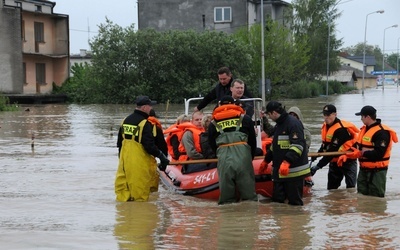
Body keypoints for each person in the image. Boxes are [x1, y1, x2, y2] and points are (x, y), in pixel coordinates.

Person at [115, 96, 170, 202]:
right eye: (150, 106)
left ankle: (125, 216)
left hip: (124, 162)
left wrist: (121, 160)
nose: (151, 109)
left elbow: (119, 144)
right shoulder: (145, 124)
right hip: (139, 163)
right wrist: (162, 157)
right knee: (140, 195)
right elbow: (149, 146)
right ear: (144, 107)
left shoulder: (125, 121)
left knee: (123, 191)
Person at [338, 105, 398, 197]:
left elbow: (379, 154)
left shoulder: (382, 133)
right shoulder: (364, 130)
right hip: (363, 171)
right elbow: (357, 148)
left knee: (376, 199)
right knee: (361, 198)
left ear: (368, 117)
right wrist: (347, 155)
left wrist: (361, 153)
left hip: (377, 172)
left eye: (362, 116)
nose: (361, 119)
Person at [208, 95, 258, 205]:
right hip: (243, 157)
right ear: (234, 104)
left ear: (220, 105)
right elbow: (253, 141)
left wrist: (220, 156)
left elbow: (212, 145)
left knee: (226, 198)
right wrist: (250, 157)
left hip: (224, 157)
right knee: (249, 196)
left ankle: (228, 219)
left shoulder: (213, 124)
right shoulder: (245, 119)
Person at [262, 101, 310, 206]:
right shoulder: (279, 125)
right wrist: (266, 160)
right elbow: (275, 146)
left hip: (294, 172)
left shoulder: (293, 123)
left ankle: (297, 222)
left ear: (274, 113)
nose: (269, 118)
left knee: (295, 204)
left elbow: (298, 145)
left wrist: (287, 161)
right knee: (277, 204)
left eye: (269, 115)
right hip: (280, 172)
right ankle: (281, 221)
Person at [310, 104, 359, 190]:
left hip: (348, 161)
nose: (326, 117)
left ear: (335, 114)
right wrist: (316, 155)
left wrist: (317, 166)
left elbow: (332, 151)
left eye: (328, 115)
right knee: (331, 189)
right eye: (324, 115)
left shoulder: (341, 130)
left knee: (350, 189)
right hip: (334, 162)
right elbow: (325, 145)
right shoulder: (326, 126)